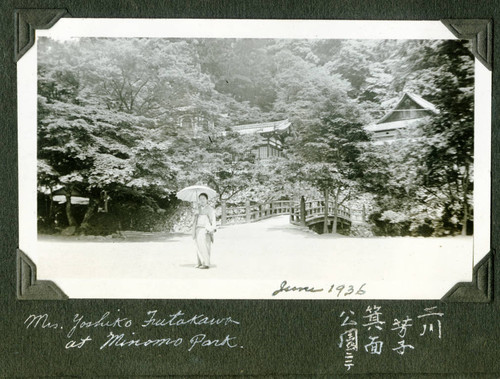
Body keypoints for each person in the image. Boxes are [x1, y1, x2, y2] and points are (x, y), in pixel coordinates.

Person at [192, 193, 216, 269]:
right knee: (197, 245)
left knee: (205, 246)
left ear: (207, 200)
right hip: (198, 229)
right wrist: (195, 215)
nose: (202, 200)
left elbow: (213, 220)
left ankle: (206, 263)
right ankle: (199, 262)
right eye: (200, 199)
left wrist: (212, 228)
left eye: (203, 198)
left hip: (206, 229)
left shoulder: (210, 209)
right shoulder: (197, 209)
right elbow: (194, 220)